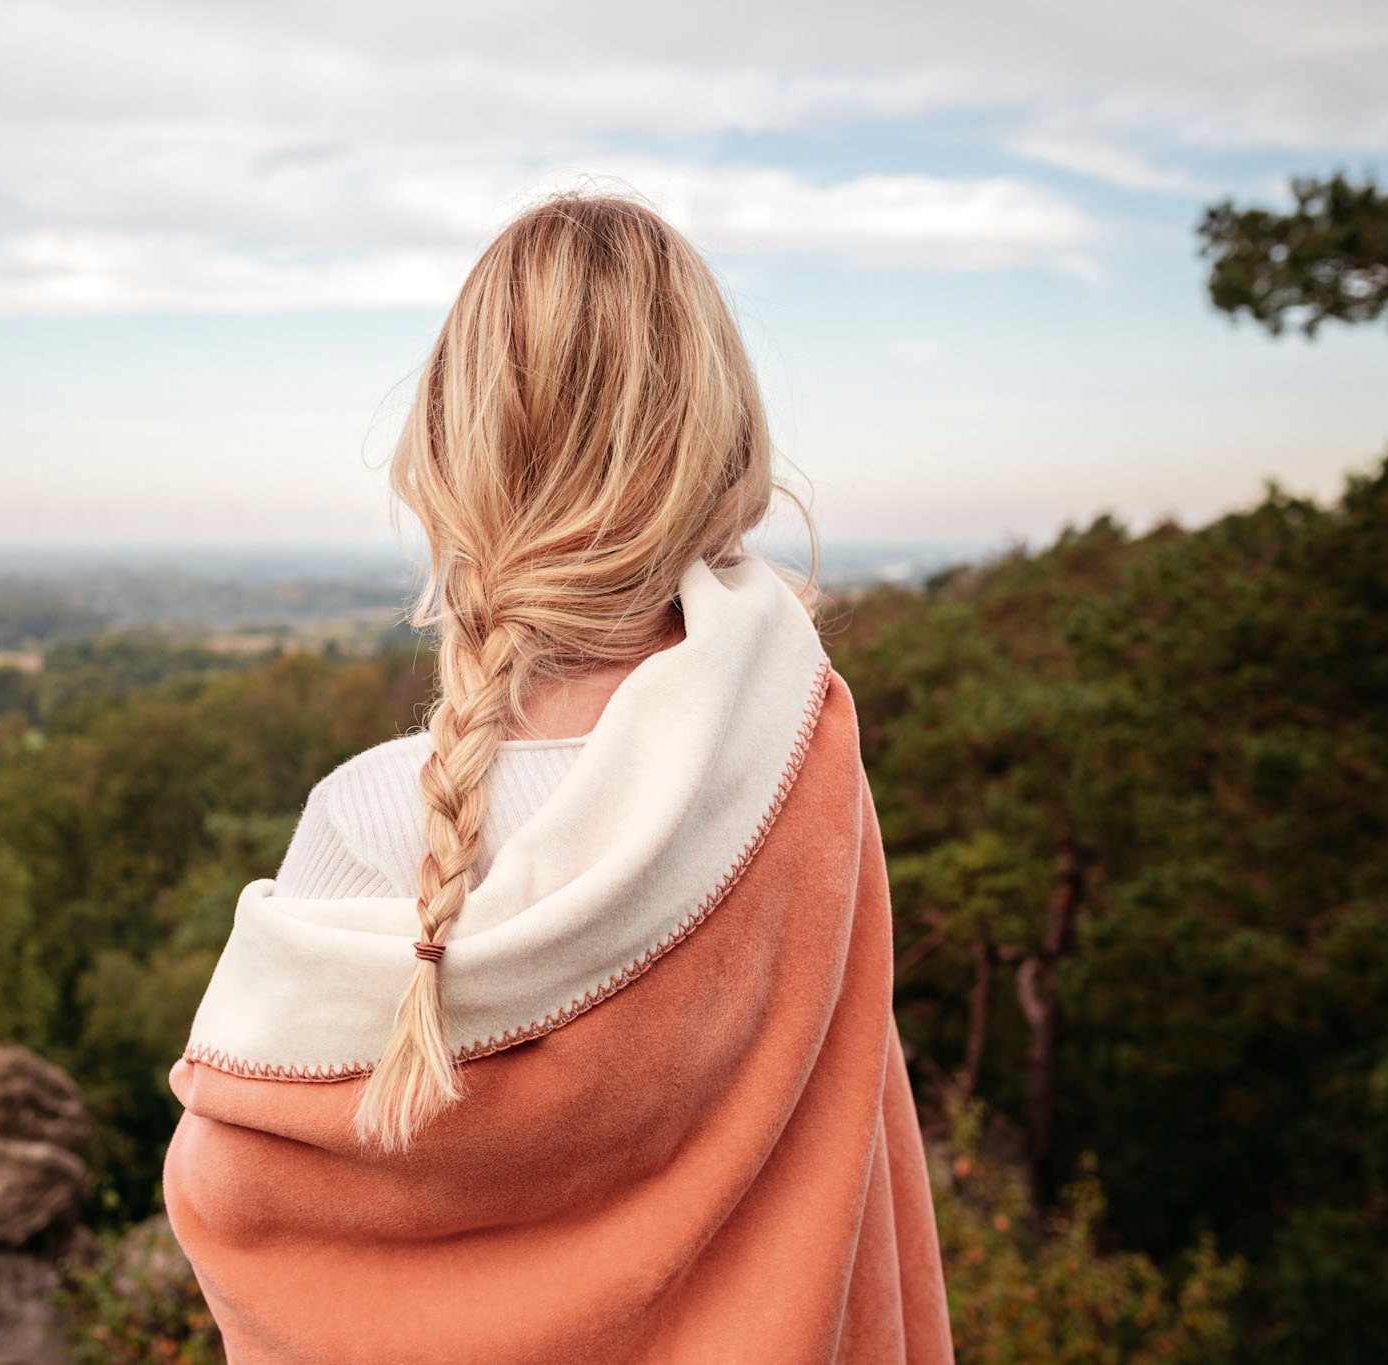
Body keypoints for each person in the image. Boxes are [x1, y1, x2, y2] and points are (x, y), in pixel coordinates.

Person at [163, 192, 954, 1364]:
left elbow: (235, 1196)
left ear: (446, 449)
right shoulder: (799, 762)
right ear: (720, 442)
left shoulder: (372, 818)